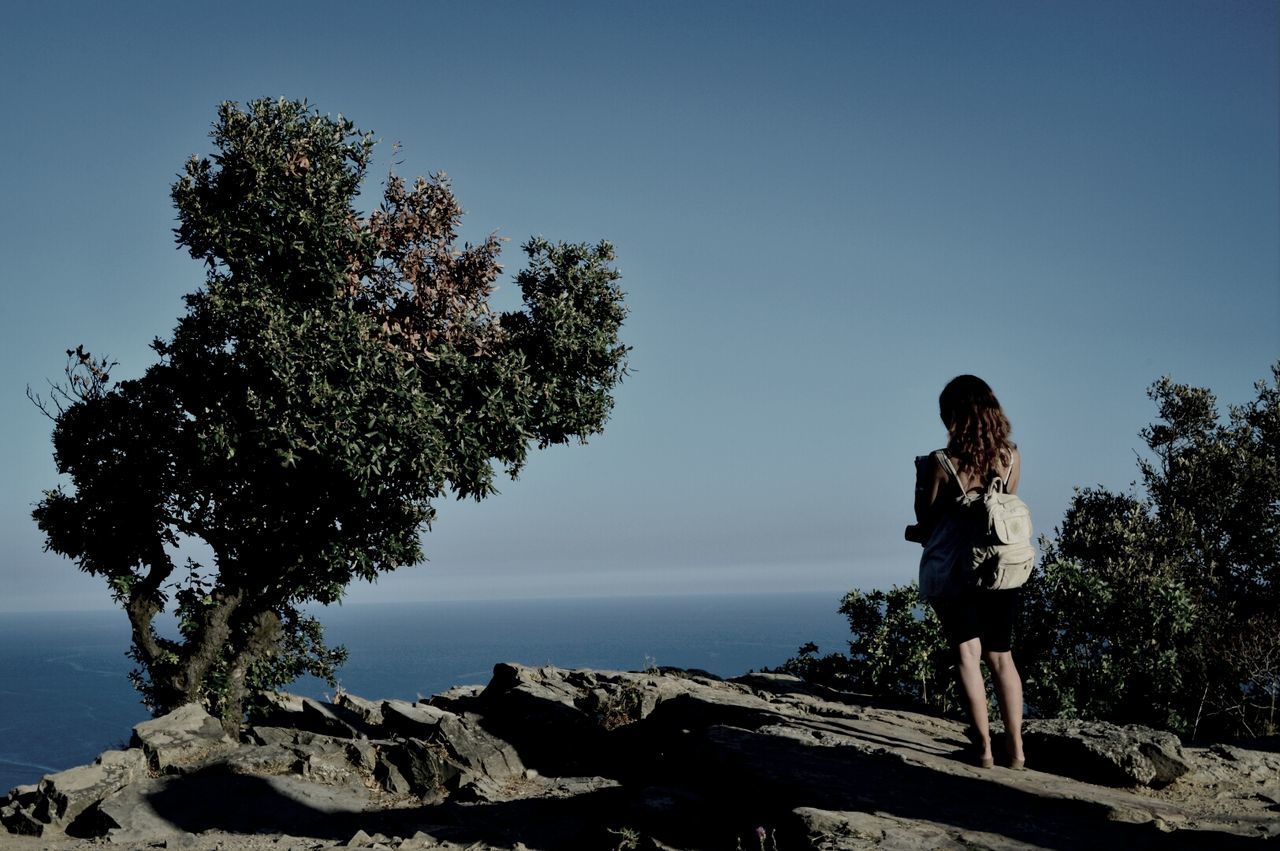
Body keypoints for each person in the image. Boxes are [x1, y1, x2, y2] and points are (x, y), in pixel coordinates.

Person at [909, 375, 1026, 770]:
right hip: (1001, 569)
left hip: (957, 568)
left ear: (954, 416)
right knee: (1002, 658)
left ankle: (983, 750)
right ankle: (1017, 751)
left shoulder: (941, 463)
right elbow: (1004, 508)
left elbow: (926, 521)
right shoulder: (1011, 456)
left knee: (967, 652)